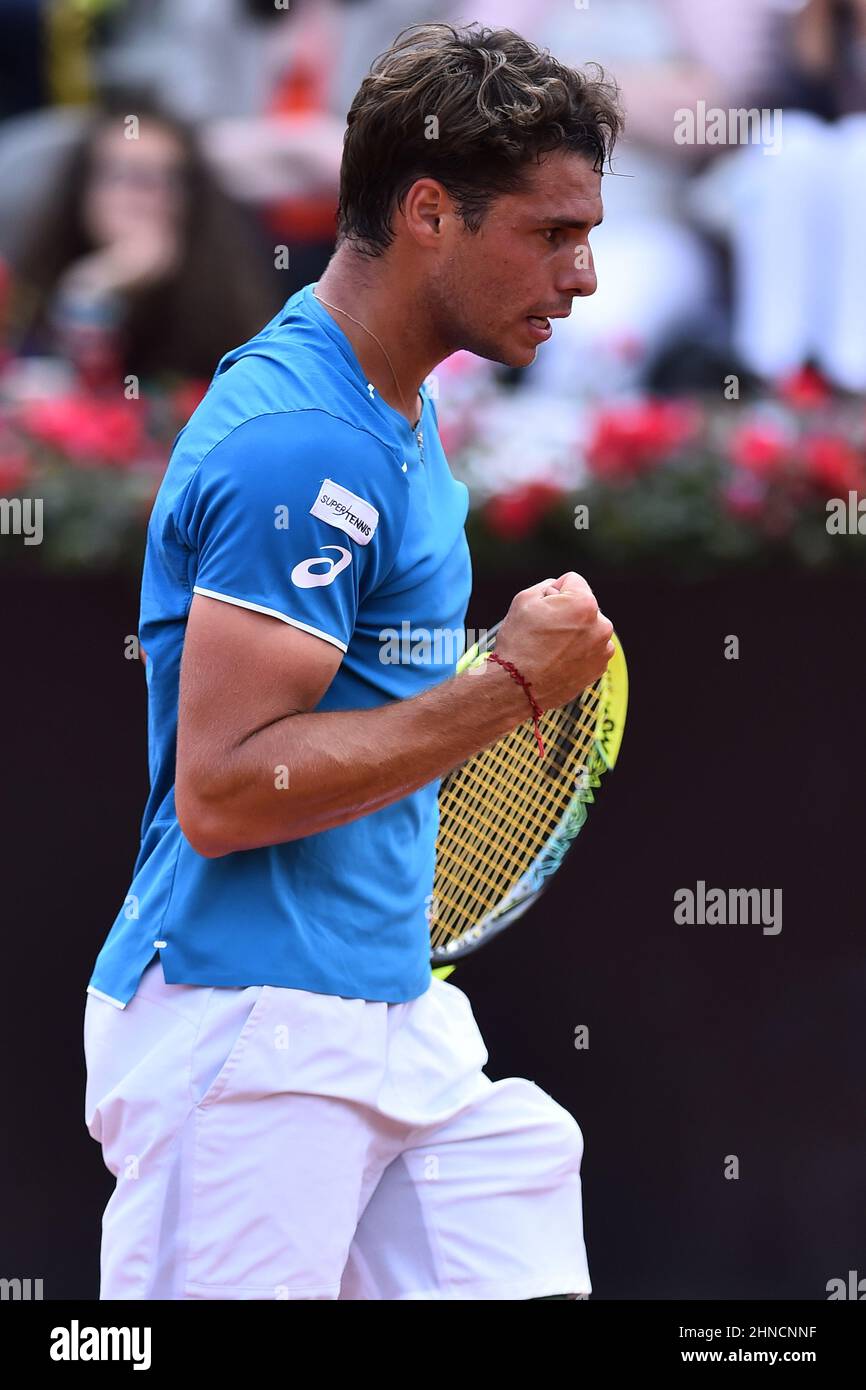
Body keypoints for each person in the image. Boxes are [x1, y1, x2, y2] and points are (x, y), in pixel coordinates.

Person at [82, 21, 620, 1301]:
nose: (585, 274)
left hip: (392, 1020)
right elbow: (222, 792)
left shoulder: (392, 398)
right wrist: (511, 688)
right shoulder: (302, 444)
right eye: (551, 233)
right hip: (247, 1031)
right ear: (429, 213)